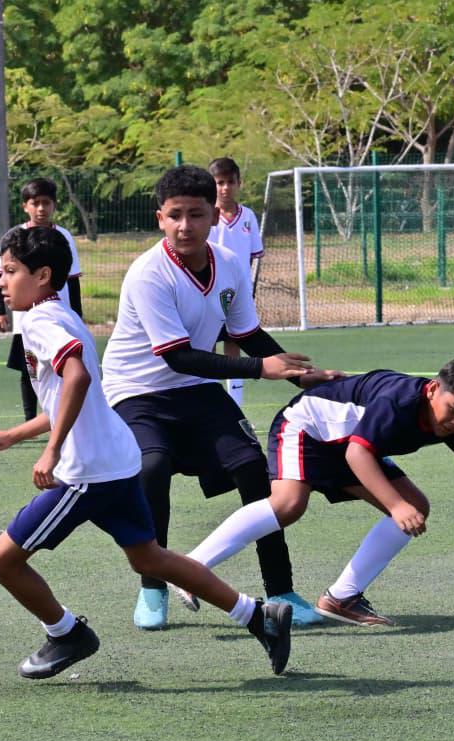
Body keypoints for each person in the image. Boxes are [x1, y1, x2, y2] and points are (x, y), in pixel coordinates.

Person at [0, 225, 293, 680]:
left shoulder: (39, 321)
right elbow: (76, 395)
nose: (1, 282)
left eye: (10, 271)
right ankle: (259, 617)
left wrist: (52, 451)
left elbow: (77, 379)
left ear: (42, 275)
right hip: (119, 460)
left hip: (87, 473)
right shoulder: (63, 313)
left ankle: (65, 633)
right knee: (149, 558)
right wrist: (14, 435)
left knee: (0, 561)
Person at [100, 165, 342, 631]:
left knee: (255, 468)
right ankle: (153, 584)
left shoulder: (229, 262)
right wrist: (261, 369)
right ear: (160, 219)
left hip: (195, 390)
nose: (185, 225)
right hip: (136, 391)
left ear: (215, 215)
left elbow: (247, 332)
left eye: (196, 214)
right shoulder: (148, 274)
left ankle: (281, 589)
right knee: (152, 467)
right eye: (174, 215)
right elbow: (178, 357)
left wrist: (304, 376)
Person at [173, 359, 454, 626]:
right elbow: (359, 452)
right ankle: (190, 569)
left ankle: (341, 598)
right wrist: (394, 506)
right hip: (307, 427)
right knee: (289, 504)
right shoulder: (400, 400)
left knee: (417, 508)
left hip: (348, 446)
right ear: (433, 390)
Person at [0, 177, 83, 421]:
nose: (41, 208)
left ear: (54, 205)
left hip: (58, 313)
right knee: (29, 369)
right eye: (35, 203)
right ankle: (30, 418)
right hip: (26, 318)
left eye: (46, 203)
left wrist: (78, 315)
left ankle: (60, 416)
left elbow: (73, 280)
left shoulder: (63, 237)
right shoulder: (15, 238)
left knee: (60, 367)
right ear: (25, 206)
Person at [207, 157, 264, 408]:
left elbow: (253, 257)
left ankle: (235, 402)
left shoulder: (248, 216)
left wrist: (245, 289)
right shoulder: (207, 216)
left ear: (239, 183)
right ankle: (207, 395)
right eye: (220, 182)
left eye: (230, 182)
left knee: (234, 342)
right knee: (206, 343)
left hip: (237, 294)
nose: (225, 188)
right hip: (208, 292)